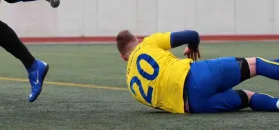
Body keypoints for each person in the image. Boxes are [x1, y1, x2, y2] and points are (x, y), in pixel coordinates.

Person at [116, 29, 279, 114]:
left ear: (123, 57)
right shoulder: (147, 43)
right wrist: (192, 47)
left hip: (194, 106)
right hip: (196, 76)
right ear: (138, 39)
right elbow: (191, 35)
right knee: (255, 64)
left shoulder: (131, 86)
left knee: (248, 98)